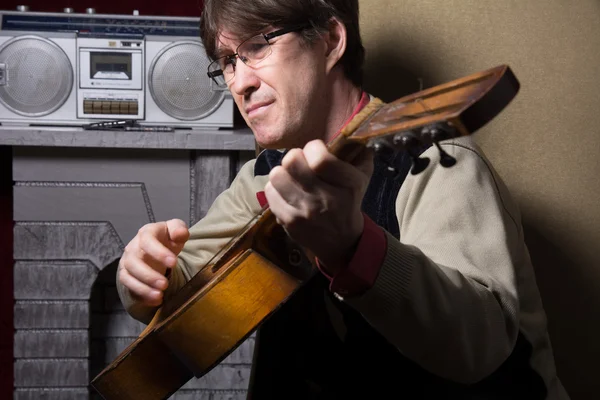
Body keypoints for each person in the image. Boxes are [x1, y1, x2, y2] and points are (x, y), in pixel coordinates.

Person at [116, 0, 569, 398]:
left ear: (332, 40)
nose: (240, 83)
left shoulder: (436, 161)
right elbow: (184, 277)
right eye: (227, 61)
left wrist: (353, 249)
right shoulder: (262, 173)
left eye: (257, 46)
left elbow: (482, 348)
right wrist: (143, 277)